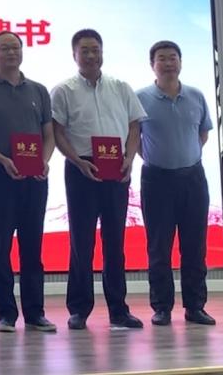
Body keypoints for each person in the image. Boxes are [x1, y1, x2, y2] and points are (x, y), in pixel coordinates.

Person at [51, 28, 147, 330]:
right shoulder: (63, 90)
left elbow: (134, 126)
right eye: (85, 51)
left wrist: (130, 158)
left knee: (115, 241)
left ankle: (119, 310)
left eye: (96, 49)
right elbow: (57, 132)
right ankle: (79, 309)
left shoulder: (120, 87)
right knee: (81, 241)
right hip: (82, 168)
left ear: (102, 52)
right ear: (74, 55)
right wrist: (77, 160)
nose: (91, 55)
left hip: (116, 167)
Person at [0, 31, 56, 333]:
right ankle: (6, 314)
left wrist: (44, 160)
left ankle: (35, 313)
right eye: (4, 48)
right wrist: (3, 159)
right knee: (0, 246)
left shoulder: (39, 90)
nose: (11, 53)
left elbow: (48, 134)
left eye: (15, 47)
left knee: (32, 247)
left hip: (34, 177)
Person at [136, 40, 215, 326]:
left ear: (180, 62)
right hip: (156, 180)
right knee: (159, 247)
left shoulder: (196, 95)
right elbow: (134, 139)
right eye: (162, 58)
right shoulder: (140, 98)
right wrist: (157, 157)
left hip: (193, 179)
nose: (168, 63)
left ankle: (195, 307)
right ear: (152, 65)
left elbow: (203, 134)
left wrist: (185, 157)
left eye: (173, 58)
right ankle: (162, 308)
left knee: (195, 246)